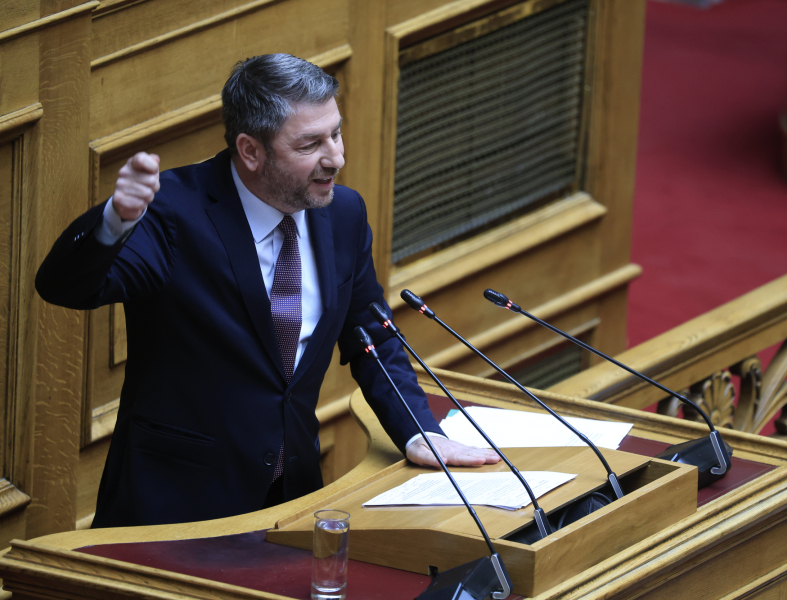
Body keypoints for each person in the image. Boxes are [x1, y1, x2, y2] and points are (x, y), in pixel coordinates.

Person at [36, 54, 498, 528]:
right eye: (310, 144)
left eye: (336, 134)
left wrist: (419, 432)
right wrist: (115, 222)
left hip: (291, 500)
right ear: (251, 151)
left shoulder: (344, 214)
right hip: (175, 511)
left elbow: (372, 338)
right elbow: (65, 287)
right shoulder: (172, 212)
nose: (336, 158)